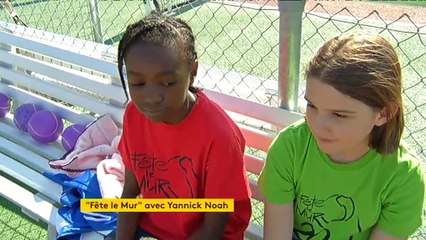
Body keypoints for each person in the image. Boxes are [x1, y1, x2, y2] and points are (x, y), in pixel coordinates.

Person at [258, 31, 425, 240]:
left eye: (339, 115)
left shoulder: (404, 177)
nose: (318, 125)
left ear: (384, 113)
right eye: (312, 105)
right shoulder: (289, 147)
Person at [113, 13, 252, 240]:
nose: (151, 97)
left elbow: (213, 229)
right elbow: (131, 192)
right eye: (137, 83)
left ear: (193, 71)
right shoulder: (134, 115)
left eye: (167, 83)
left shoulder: (219, 136)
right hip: (153, 228)